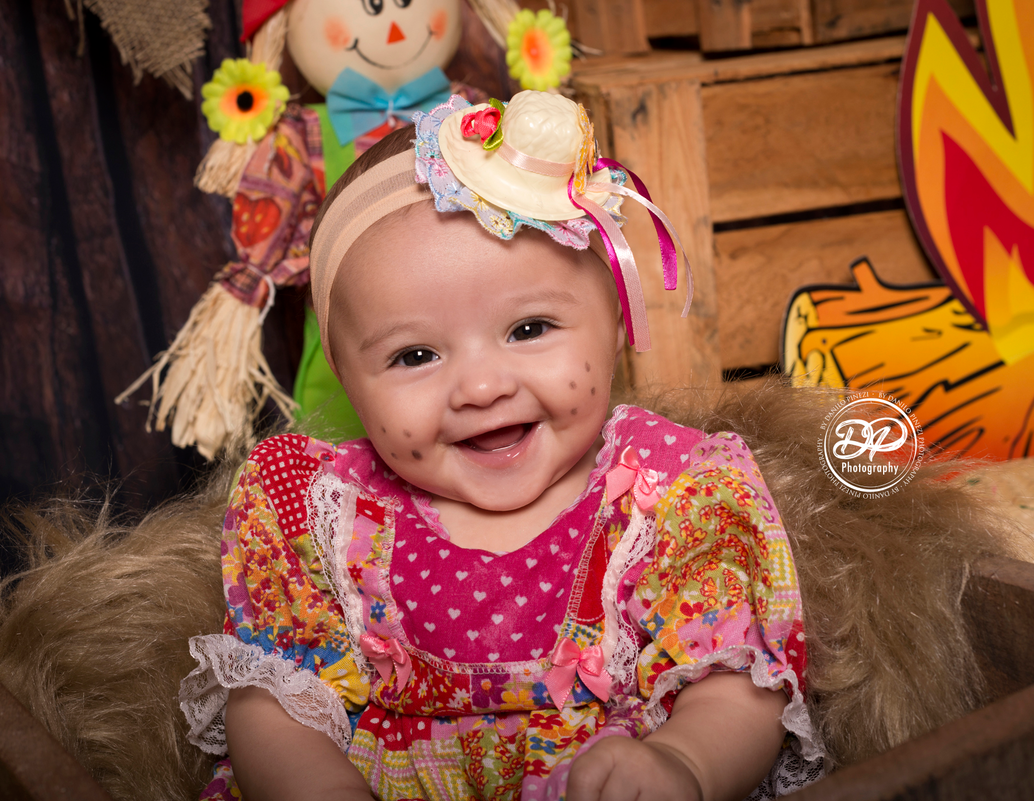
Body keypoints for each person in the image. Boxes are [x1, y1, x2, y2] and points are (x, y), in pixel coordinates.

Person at [178, 90, 824, 801]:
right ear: (349, 381)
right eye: (415, 355)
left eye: (528, 329)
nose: (481, 387)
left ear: (613, 321)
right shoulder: (320, 511)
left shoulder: (673, 489)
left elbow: (738, 673)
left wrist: (686, 764)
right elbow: (274, 697)